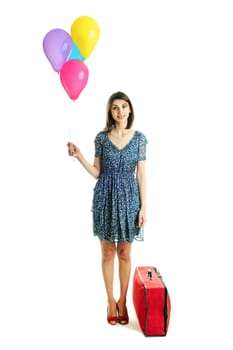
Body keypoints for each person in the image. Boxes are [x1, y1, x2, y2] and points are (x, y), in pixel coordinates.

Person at [67, 91, 148, 325]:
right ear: (110, 112)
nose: (120, 111)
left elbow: (141, 175)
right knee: (107, 252)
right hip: (104, 198)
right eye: (115, 107)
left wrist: (144, 208)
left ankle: (122, 301)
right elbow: (97, 172)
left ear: (130, 110)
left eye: (124, 106)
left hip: (130, 200)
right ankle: (109, 301)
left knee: (124, 253)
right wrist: (79, 155)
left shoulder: (140, 139)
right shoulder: (101, 138)